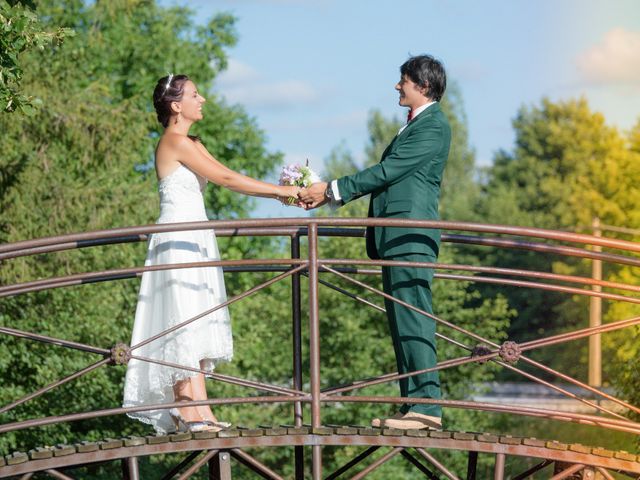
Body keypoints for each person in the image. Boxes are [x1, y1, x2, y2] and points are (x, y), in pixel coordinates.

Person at [123, 74, 300, 434]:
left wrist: (281, 191)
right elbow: (226, 181)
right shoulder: (173, 142)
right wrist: (281, 192)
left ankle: (199, 406)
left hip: (198, 235)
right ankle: (183, 406)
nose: (202, 99)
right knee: (182, 317)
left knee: (198, 316)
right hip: (177, 238)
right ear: (176, 105)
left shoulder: (193, 142)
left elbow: (228, 172)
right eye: (194, 94)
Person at [299, 55, 451, 430]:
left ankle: (427, 408)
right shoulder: (415, 125)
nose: (397, 87)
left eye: (403, 81)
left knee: (413, 316)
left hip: (409, 235)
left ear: (423, 86)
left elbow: (388, 172)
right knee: (402, 320)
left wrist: (333, 190)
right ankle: (413, 405)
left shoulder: (433, 126)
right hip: (395, 236)